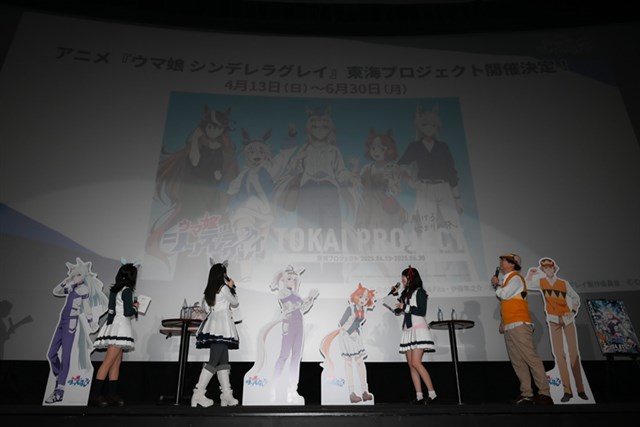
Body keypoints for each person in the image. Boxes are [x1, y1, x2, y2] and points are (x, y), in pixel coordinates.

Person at [490, 253, 553, 405]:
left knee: (531, 358)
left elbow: (504, 295)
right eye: (501, 260)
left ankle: (544, 393)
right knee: (517, 361)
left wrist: (496, 285)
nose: (501, 262)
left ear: (512, 264)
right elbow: (509, 303)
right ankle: (527, 393)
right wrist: (503, 321)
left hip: (520, 324)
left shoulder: (516, 278)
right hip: (510, 325)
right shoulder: (507, 280)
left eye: (504, 260)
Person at [526, 257, 589, 402]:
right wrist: (530, 273)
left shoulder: (563, 283)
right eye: (545, 268)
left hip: (567, 320)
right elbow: (527, 284)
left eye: (550, 268)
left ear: (554, 269)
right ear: (543, 270)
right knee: (559, 355)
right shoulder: (542, 282)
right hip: (553, 321)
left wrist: (573, 311)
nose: (548, 270)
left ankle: (580, 389)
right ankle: (567, 391)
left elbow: (575, 297)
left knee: (573, 354)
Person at [90, 261, 140, 407]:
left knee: (116, 362)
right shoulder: (127, 291)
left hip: (114, 326)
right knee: (109, 361)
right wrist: (136, 307)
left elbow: (111, 310)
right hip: (121, 327)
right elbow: (128, 312)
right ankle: (95, 395)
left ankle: (112, 394)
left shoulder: (115, 290)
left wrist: (110, 326)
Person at [191, 260, 240, 407]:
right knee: (214, 361)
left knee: (223, 361)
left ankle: (226, 395)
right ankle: (198, 394)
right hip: (222, 325)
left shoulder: (209, 290)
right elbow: (235, 302)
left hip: (213, 324)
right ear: (223, 274)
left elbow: (206, 309)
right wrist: (231, 288)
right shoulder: (224, 288)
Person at [389, 265, 438, 404]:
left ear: (410, 277)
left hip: (419, 329)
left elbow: (421, 311)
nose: (402, 280)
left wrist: (404, 307)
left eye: (404, 277)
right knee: (411, 365)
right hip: (408, 330)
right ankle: (419, 396)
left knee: (416, 362)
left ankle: (433, 394)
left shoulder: (419, 292)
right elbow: (398, 311)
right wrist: (395, 296)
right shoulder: (405, 294)